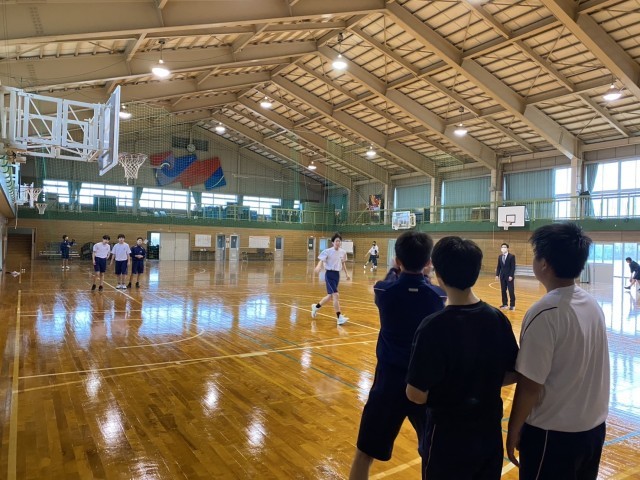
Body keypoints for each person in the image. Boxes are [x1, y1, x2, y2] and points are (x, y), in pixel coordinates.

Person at [406, 236, 519, 480]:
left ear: (438, 275)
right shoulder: (497, 319)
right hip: (488, 435)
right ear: (476, 272)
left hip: (446, 440)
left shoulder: (432, 327)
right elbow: (513, 373)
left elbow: (415, 394)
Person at [506, 223, 610, 480]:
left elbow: (530, 384)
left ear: (544, 264)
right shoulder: (592, 304)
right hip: (594, 430)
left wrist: (513, 429)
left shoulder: (544, 313)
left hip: (553, 436)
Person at [349, 231, 445, 480]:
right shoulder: (437, 297)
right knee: (433, 455)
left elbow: (388, 281)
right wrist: (424, 275)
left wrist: (396, 269)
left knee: (364, 454)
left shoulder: (384, 291)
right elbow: (432, 287)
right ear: (428, 262)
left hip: (387, 383)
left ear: (398, 260)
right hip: (424, 384)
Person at [311, 232, 351, 325]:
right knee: (336, 295)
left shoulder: (343, 252)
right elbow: (321, 260)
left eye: (339, 241)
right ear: (333, 242)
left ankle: (316, 307)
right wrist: (318, 266)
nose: (338, 242)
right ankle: (339, 317)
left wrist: (347, 274)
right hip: (329, 275)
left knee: (330, 296)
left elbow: (343, 263)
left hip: (337, 275)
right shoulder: (327, 251)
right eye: (336, 241)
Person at [495, 242, 516, 310]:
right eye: (502, 247)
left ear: (507, 248)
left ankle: (512, 305)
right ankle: (505, 304)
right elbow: (498, 267)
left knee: (511, 290)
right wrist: (497, 275)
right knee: (503, 291)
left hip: (509, 277)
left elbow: (513, 267)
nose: (503, 248)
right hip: (502, 277)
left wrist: (511, 275)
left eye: (504, 247)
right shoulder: (500, 257)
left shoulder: (511, 256)